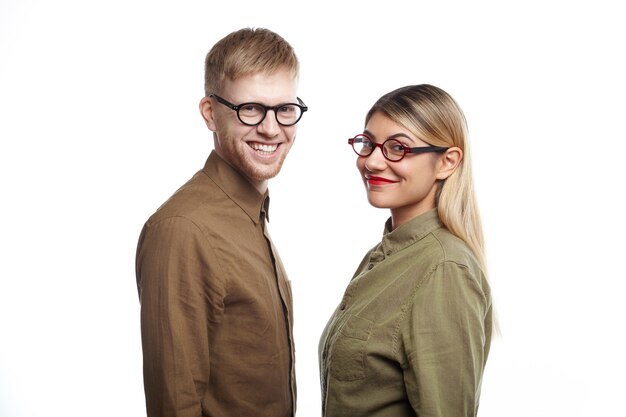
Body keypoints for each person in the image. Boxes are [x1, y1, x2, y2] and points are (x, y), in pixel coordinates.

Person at [135, 28, 306, 417]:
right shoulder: (183, 228)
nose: (270, 127)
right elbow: (174, 405)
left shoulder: (250, 215)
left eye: (285, 109)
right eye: (250, 108)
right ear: (210, 114)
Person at [319, 84, 492, 417]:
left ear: (447, 162)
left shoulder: (444, 268)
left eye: (397, 148)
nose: (371, 161)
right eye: (368, 143)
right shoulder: (383, 255)